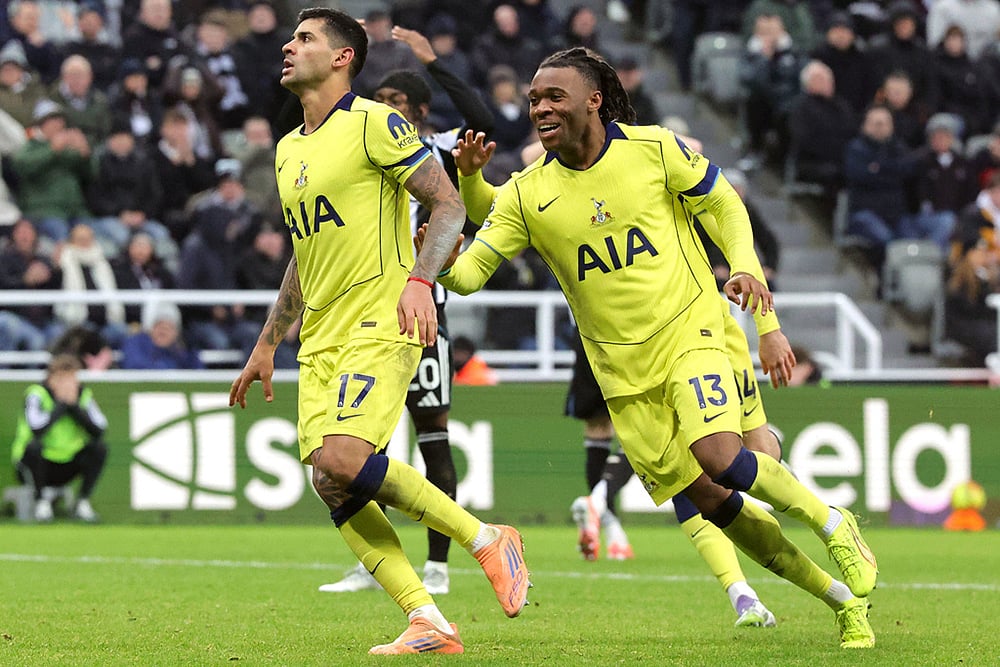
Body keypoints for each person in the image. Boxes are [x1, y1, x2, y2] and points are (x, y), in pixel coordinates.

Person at [430, 47, 877, 649]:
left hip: (691, 332)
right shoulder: (527, 194)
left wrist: (748, 273)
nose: (540, 108)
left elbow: (723, 203)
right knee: (712, 500)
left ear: (593, 99)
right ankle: (840, 600)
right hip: (622, 375)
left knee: (722, 453)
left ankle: (832, 521)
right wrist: (445, 239)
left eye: (554, 96)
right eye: (534, 99)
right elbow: (468, 275)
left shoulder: (654, 149)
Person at [227, 8, 529, 656]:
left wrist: (421, 280)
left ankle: (485, 537)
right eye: (292, 36)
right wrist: (266, 342)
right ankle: (427, 617)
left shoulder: (374, 122)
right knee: (330, 479)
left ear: (342, 58)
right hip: (323, 335)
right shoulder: (288, 151)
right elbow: (305, 256)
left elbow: (448, 203)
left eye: (304, 38)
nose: (288, 45)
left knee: (341, 457)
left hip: (383, 317)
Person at [454, 129, 797, 627]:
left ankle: (608, 504)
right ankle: (739, 588)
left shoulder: (674, 171)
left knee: (750, 461)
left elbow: (749, 258)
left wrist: (769, 329)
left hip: (707, 332)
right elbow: (500, 212)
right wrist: (472, 178)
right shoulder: (580, 177)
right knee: (691, 473)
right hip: (617, 341)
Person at [319, 25, 496, 597]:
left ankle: (440, 564)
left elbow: (480, 118)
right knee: (366, 442)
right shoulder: (366, 148)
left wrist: (436, 62)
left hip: (423, 311)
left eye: (398, 103)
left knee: (432, 433)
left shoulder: (437, 151)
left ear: (420, 111)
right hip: (366, 311)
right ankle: (377, 561)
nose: (387, 108)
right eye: (383, 100)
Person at [10, 353, 108, 522]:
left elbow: (99, 428)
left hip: (67, 463)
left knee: (99, 448)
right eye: (64, 379)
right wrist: (61, 407)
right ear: (51, 379)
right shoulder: (37, 394)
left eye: (73, 379)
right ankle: (41, 502)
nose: (71, 385)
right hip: (35, 464)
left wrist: (75, 408)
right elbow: (37, 428)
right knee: (34, 447)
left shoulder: (83, 395)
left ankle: (82, 502)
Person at [121, 302, 204, 370]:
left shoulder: (184, 348)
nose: (163, 331)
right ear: (151, 329)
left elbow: (198, 371)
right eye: (159, 326)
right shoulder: (136, 343)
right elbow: (134, 366)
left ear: (176, 333)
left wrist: (177, 351)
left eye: (169, 328)